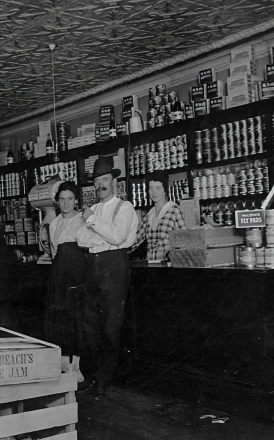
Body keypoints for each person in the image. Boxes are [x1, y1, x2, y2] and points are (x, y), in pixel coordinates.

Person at [75, 157, 139, 399]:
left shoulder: (125, 208)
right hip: (92, 266)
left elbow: (117, 237)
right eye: (97, 180)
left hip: (114, 266)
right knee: (90, 325)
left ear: (114, 181)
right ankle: (93, 376)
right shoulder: (97, 210)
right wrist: (102, 234)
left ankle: (106, 379)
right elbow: (81, 239)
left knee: (111, 326)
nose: (100, 184)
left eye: (105, 179)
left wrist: (93, 222)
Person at [44, 181, 87, 361]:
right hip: (59, 277)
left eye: (70, 199)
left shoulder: (83, 220)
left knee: (78, 319)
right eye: (62, 199)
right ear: (57, 201)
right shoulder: (54, 224)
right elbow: (54, 253)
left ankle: (76, 365)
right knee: (60, 318)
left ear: (76, 200)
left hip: (78, 277)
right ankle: (62, 362)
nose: (66, 203)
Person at [129, 172, 186, 261]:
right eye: (151, 188)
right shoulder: (149, 215)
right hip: (151, 267)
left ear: (165, 190)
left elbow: (184, 240)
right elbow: (135, 239)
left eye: (158, 188)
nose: (154, 192)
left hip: (168, 267)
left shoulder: (174, 210)